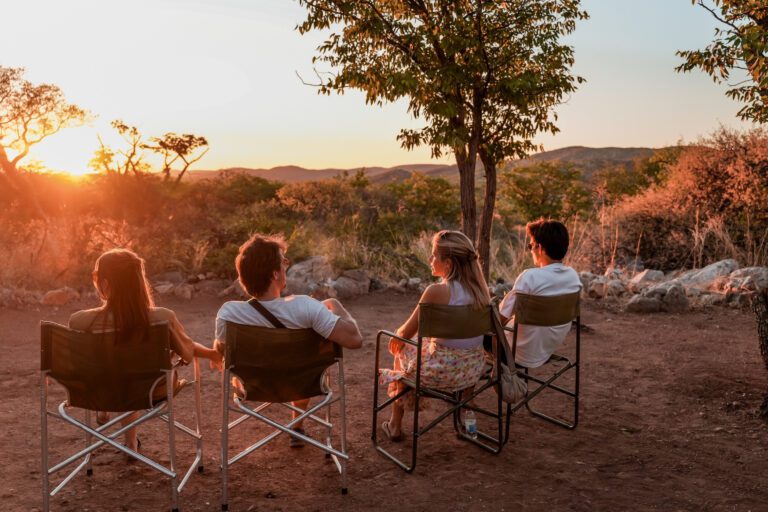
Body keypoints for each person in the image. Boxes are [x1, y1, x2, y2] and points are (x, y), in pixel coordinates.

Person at [213, 233, 363, 447]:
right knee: (301, 366)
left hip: (253, 385)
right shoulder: (306, 307)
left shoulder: (228, 314)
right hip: (302, 383)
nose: (286, 266)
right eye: (284, 261)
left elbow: (220, 350)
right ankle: (297, 424)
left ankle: (298, 426)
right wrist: (336, 305)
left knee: (290, 364)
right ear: (275, 274)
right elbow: (354, 339)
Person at [69, 248, 222, 454]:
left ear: (105, 284)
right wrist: (212, 353)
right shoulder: (162, 318)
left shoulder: (80, 321)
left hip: (100, 389)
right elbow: (186, 350)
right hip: (150, 389)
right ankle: (131, 444)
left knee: (120, 371)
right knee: (134, 375)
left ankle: (105, 410)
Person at [379, 230, 490, 442]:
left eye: (433, 255)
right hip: (471, 371)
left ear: (448, 263)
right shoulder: (482, 291)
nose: (430, 259)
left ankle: (394, 425)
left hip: (439, 373)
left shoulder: (436, 291)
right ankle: (465, 414)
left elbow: (405, 333)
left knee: (401, 347)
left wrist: (396, 337)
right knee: (437, 347)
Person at [498, 218, 582, 368]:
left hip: (517, 353)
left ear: (540, 248)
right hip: (547, 348)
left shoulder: (529, 276)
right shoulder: (573, 276)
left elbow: (500, 320)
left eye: (531, 246)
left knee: (481, 334)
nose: (531, 250)